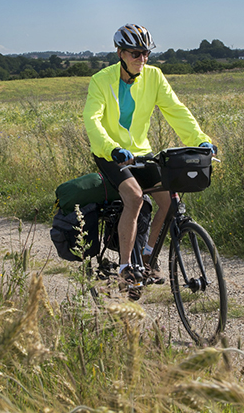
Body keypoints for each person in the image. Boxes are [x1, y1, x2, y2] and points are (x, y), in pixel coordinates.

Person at [83, 24, 216, 299]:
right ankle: (125, 269)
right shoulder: (101, 80)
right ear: (120, 53)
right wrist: (112, 148)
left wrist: (199, 139)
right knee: (135, 197)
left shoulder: (154, 77)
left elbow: (176, 110)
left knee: (170, 202)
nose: (142, 59)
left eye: (145, 53)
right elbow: (92, 120)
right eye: (135, 53)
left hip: (142, 152)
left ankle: (146, 255)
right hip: (110, 154)